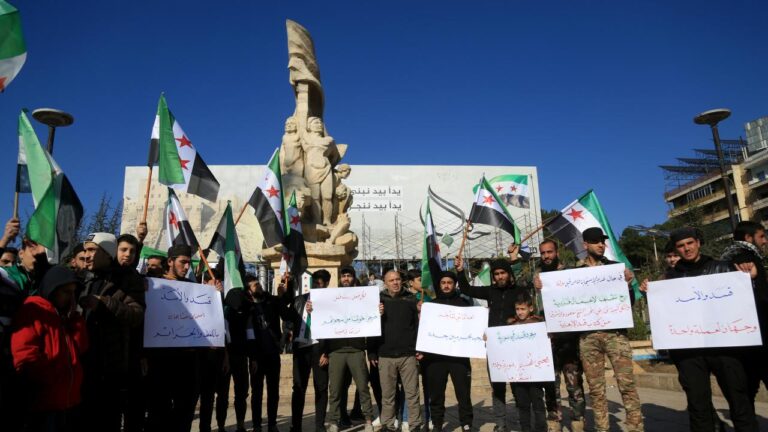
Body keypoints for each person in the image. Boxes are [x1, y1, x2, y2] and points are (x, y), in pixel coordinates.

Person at [641, 227, 758, 431]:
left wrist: (751, 277)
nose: (686, 249)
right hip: (689, 353)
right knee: (698, 405)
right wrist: (648, 293)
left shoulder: (725, 268)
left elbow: (744, 300)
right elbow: (664, 310)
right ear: (676, 250)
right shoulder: (668, 278)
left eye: (690, 243)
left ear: (698, 243)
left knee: (739, 401)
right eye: (680, 246)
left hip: (725, 349)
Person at [574, 227, 643, 432]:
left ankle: (635, 427)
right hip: (588, 337)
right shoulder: (574, 272)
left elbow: (627, 303)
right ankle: (602, 428)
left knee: (627, 385)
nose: (601, 245)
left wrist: (629, 286)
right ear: (585, 245)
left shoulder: (615, 270)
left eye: (603, 241)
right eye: (596, 241)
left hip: (615, 335)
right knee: (596, 390)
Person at [78, 233, 146, 432]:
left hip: (110, 369)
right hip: (84, 366)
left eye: (92, 250)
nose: (87, 255)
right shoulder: (84, 278)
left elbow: (136, 314)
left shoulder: (128, 281)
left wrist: (105, 303)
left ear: (107, 253)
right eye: (85, 250)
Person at [455, 248, 528, 432]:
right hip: (495, 348)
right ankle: (500, 424)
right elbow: (466, 289)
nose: (500, 276)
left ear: (509, 274)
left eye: (503, 273)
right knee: (498, 387)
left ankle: (523, 421)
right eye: (496, 274)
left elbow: (527, 314)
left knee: (519, 386)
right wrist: (459, 271)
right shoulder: (490, 292)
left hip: (516, 346)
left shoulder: (519, 291)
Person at [11, 266, 89, 432]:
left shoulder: (65, 316)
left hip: (69, 400)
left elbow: (80, 348)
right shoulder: (33, 310)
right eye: (66, 292)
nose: (70, 297)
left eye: (73, 292)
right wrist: (49, 379)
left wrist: (76, 319)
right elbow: (25, 355)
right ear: (52, 289)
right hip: (46, 402)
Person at [145, 244, 201, 432]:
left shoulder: (195, 290)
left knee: (184, 412)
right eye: (182, 262)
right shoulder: (153, 285)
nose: (186, 267)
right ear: (170, 261)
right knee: (158, 413)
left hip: (188, 360)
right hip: (160, 361)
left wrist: (215, 296)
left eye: (189, 263)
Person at [313, 266, 376, 432]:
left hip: (356, 349)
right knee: (335, 389)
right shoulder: (332, 297)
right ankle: (333, 420)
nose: (346, 279)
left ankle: (368, 419)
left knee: (363, 386)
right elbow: (323, 323)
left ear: (354, 278)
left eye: (349, 276)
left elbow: (371, 318)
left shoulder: (363, 296)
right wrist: (312, 310)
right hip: (336, 350)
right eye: (343, 276)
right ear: (340, 279)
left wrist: (378, 311)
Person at [532, 239, 586, 432]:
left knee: (574, 383)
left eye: (549, 252)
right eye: (543, 253)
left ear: (557, 252)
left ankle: (578, 419)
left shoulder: (569, 273)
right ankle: (554, 420)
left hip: (569, 339)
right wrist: (535, 288)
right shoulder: (537, 276)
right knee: (551, 385)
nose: (546, 256)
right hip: (548, 340)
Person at [418, 271, 473, 432]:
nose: (446, 285)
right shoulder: (431, 306)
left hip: (459, 357)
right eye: (443, 283)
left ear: (454, 284)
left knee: (463, 393)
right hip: (435, 358)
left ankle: (466, 423)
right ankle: (437, 423)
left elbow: (473, 326)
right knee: (436, 394)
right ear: (439, 285)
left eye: (449, 282)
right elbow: (424, 330)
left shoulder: (464, 304)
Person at [370, 270, 424, 432]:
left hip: (408, 355)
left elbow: (417, 327)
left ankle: (414, 425)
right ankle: (388, 424)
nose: (395, 282)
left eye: (398, 279)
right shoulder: (377, 301)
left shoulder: (411, 300)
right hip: (385, 355)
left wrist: (419, 348)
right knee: (388, 395)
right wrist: (371, 352)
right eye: (391, 280)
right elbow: (370, 327)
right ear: (385, 283)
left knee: (412, 393)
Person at [720, 221, 768, 402]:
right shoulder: (744, 257)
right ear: (749, 238)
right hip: (757, 334)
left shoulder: (733, 255)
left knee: (748, 388)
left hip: (750, 336)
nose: (765, 241)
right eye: (761, 236)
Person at [284, 269, 330, 432]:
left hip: (320, 349)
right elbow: (287, 318)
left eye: (320, 283)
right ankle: (295, 425)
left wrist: (328, 352)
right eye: (314, 283)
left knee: (321, 387)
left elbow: (334, 329)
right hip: (301, 348)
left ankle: (319, 426)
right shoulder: (299, 300)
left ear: (326, 284)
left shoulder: (330, 302)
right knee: (298, 388)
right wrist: (286, 289)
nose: (316, 286)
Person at [248, 275, 291, 432]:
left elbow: (286, 315)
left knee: (273, 391)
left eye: (258, 284)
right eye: (254, 285)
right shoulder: (247, 306)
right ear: (248, 290)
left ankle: (272, 423)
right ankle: (257, 425)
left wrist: (281, 296)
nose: (258, 287)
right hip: (256, 356)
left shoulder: (271, 301)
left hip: (272, 353)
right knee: (256, 392)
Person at [507, 292, 547, 432]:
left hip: (536, 373)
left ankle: (542, 429)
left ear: (530, 308)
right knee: (522, 404)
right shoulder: (511, 325)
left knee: (538, 404)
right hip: (519, 374)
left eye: (523, 309)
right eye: (517, 309)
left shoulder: (539, 323)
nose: (520, 312)